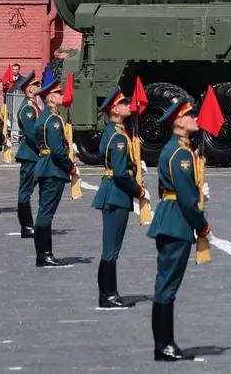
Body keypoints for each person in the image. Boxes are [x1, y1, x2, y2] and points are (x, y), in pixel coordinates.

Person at [148, 97, 210, 362]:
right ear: (180, 121)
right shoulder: (180, 153)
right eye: (191, 115)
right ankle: (164, 346)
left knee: (165, 283)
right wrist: (203, 224)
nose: (196, 118)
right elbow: (185, 198)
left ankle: (164, 343)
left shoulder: (177, 149)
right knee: (167, 286)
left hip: (169, 218)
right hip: (177, 221)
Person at [92, 87, 148, 309]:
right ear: (114, 109)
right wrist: (139, 190)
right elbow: (120, 173)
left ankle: (110, 293)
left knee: (111, 247)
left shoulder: (114, 132)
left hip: (113, 192)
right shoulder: (118, 138)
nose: (128, 106)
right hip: (117, 194)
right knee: (111, 249)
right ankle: (107, 296)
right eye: (124, 103)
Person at [32, 67, 78, 267]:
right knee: (46, 212)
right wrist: (71, 167)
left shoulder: (45, 117)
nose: (62, 95)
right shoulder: (53, 120)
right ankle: (44, 254)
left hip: (45, 165)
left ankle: (43, 254)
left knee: (44, 210)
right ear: (50, 98)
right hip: (53, 168)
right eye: (58, 93)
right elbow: (58, 150)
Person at [13, 71, 40, 238]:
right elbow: (32, 133)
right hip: (30, 153)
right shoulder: (28, 108)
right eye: (36, 84)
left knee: (28, 189)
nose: (39, 87)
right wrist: (45, 148)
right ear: (29, 89)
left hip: (33, 153)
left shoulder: (32, 105)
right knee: (25, 190)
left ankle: (29, 225)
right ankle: (27, 226)